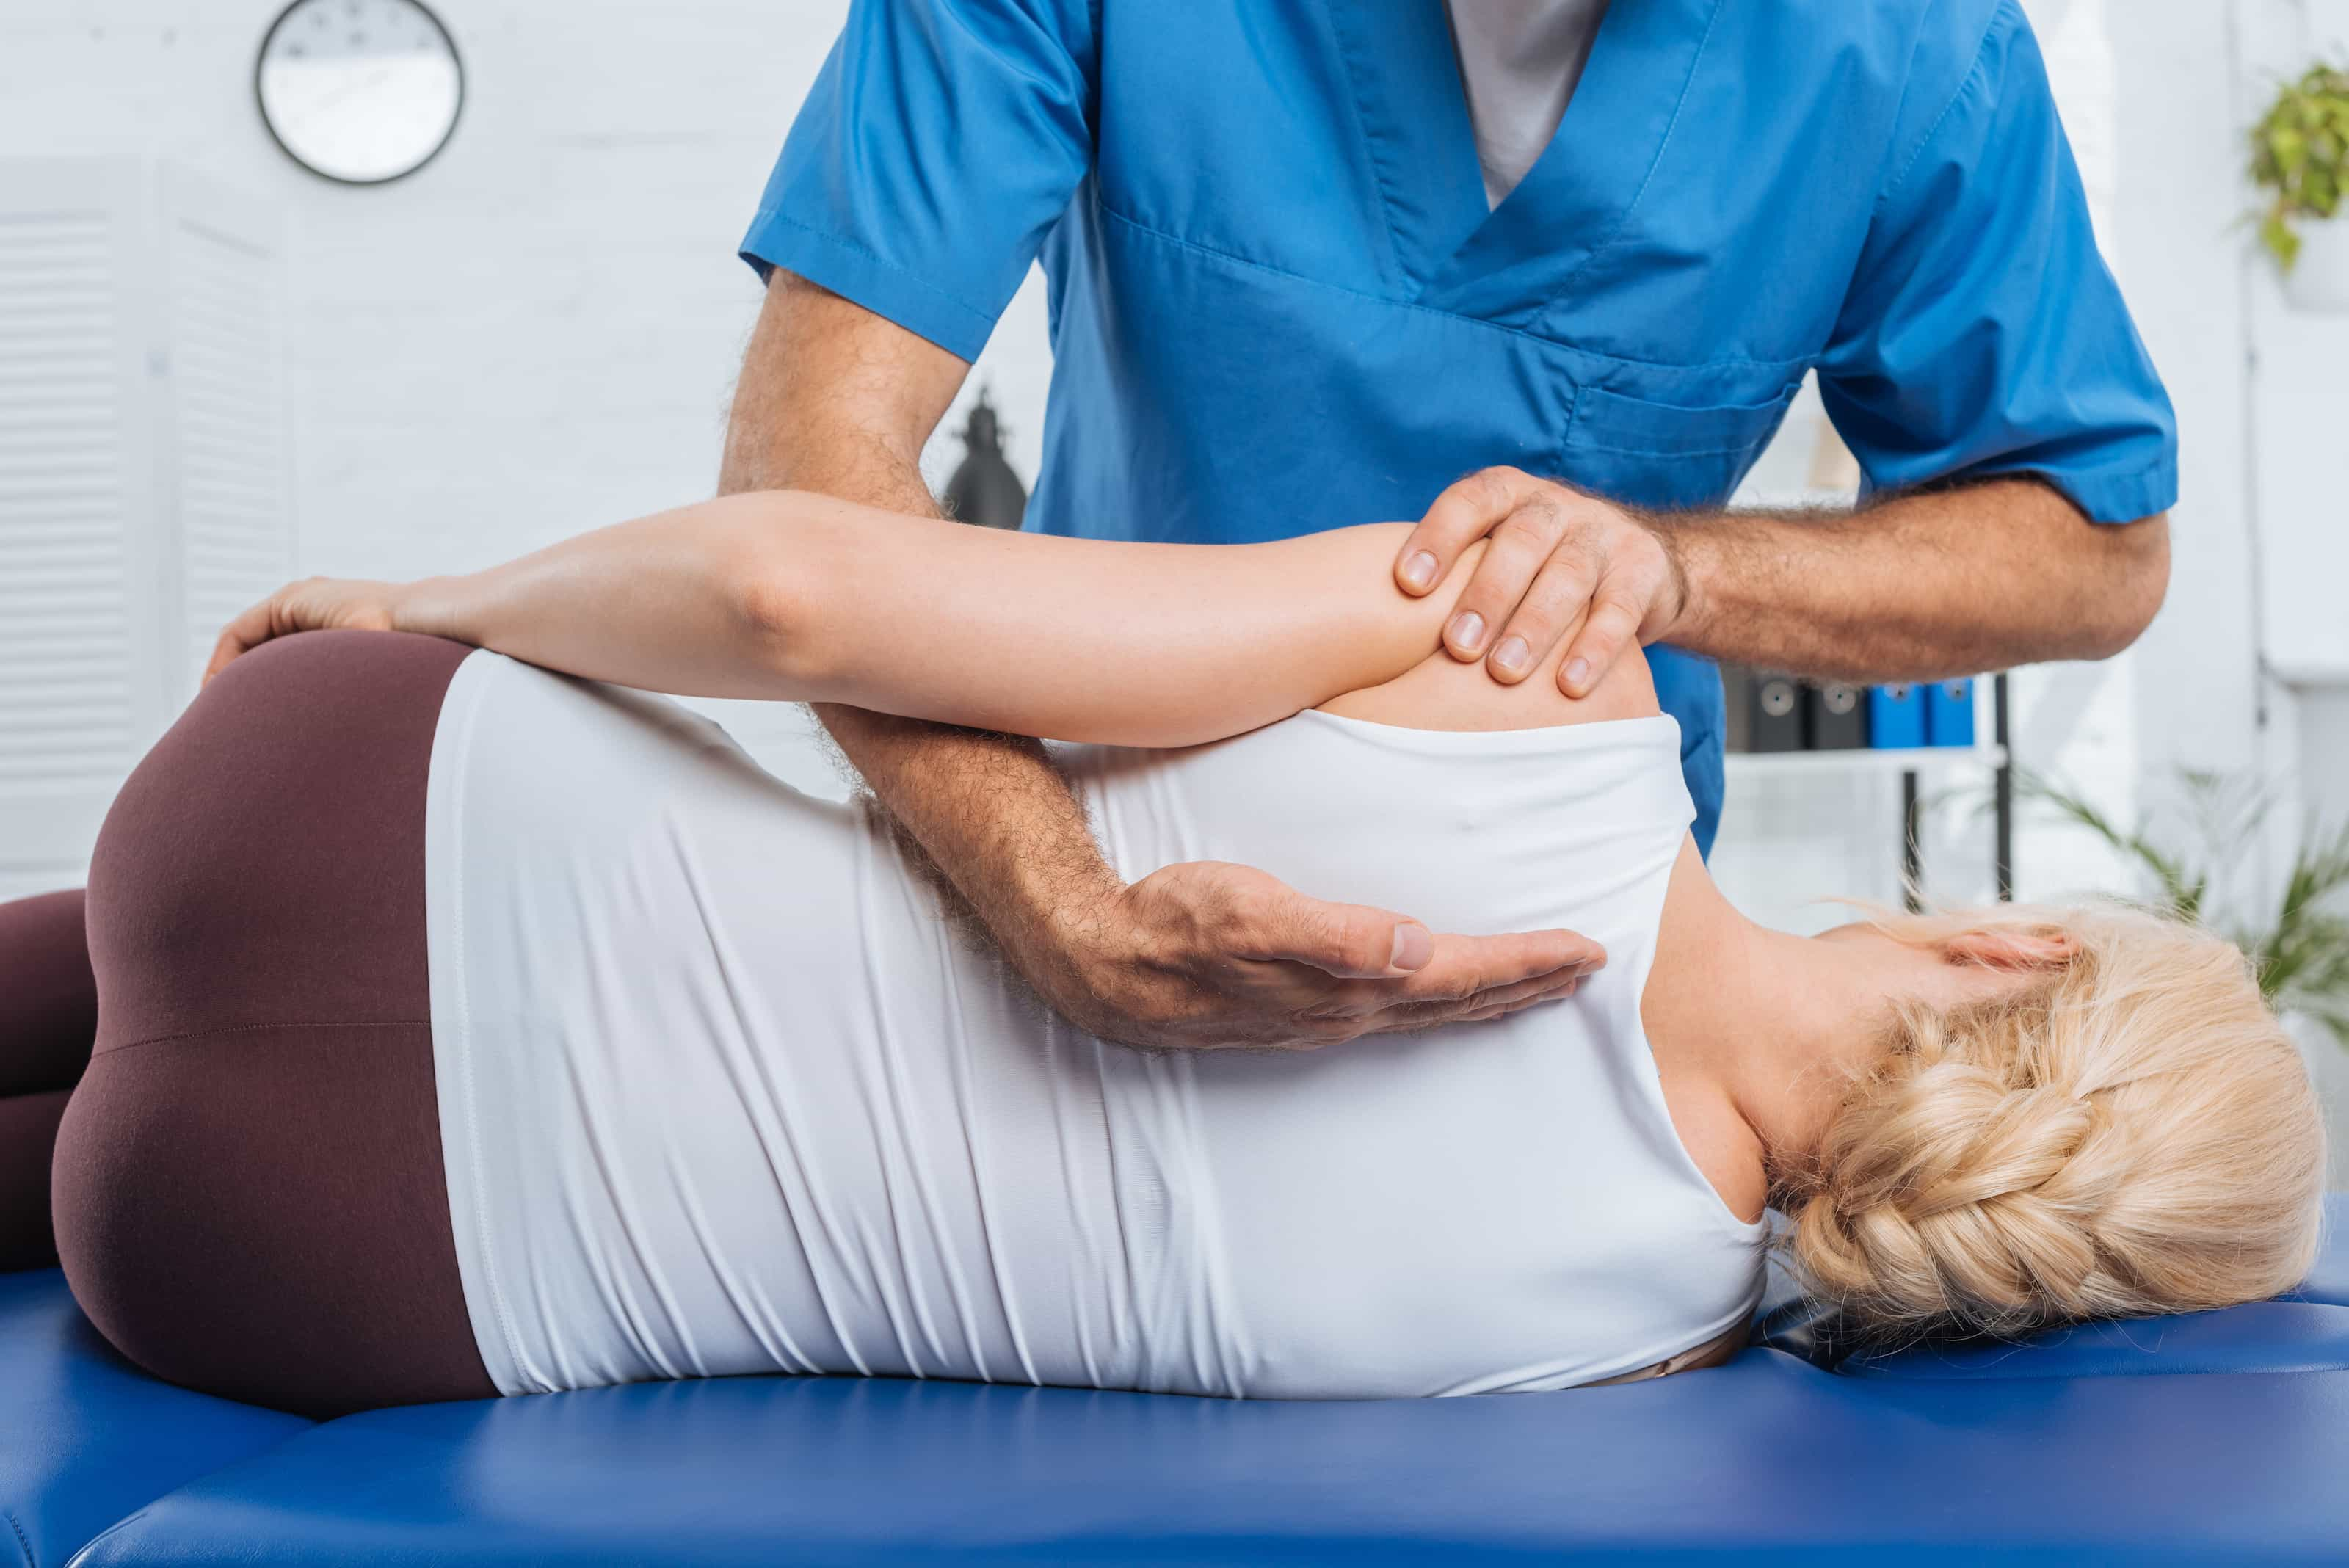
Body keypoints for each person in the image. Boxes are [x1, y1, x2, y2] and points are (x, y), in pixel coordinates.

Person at [2, 491, 2318, 1418]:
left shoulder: (1541, 683)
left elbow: (798, 602)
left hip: (333, 827)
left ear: (1999, 944)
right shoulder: (1620, 1362)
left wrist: (433, 608)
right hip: (313, 1277)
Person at [725, 0, 2179, 1061]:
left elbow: (2093, 543)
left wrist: (1678, 568)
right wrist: (1048, 896)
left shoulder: (1900, 50)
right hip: (1092, 895)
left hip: (1575, 981)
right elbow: (805, 481)